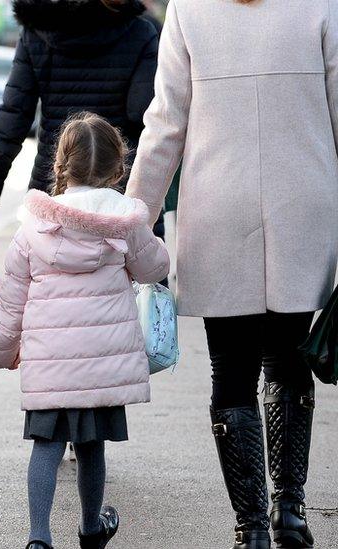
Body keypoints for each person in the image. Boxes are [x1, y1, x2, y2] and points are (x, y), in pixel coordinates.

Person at [126, 1, 338, 547]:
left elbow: (165, 123)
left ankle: (251, 527)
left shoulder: (190, 11)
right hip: (303, 205)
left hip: (218, 208)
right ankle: (290, 510)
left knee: (233, 372)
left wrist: (133, 222)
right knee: (291, 363)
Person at [0, 113, 169, 549]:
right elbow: (154, 268)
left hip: (50, 363)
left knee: (45, 445)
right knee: (91, 446)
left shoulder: (34, 228)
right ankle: (89, 527)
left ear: (60, 165)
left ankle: (38, 536)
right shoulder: (126, 222)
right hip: (103, 363)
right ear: (118, 168)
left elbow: (12, 302)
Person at [0, 0, 159, 229]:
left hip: (53, 187)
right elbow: (142, 113)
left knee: (43, 258)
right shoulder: (140, 32)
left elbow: (13, 117)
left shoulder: (37, 31)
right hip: (117, 191)